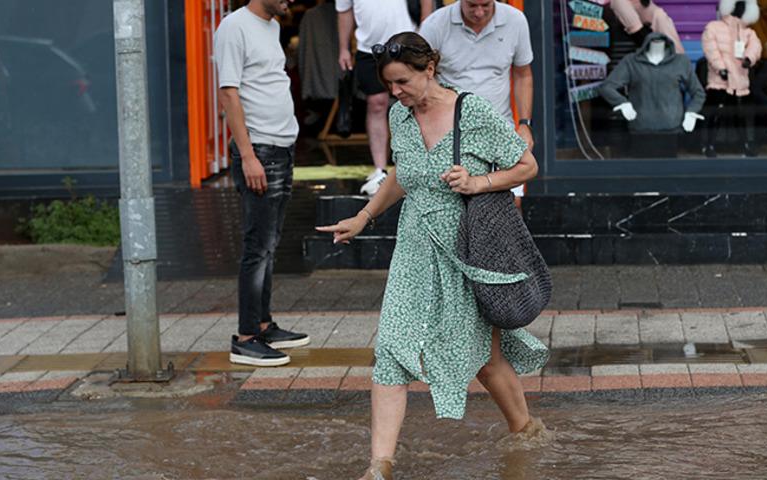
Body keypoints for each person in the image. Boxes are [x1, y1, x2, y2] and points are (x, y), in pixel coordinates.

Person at [316, 32, 550, 480]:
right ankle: (379, 467)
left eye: (403, 81)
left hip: (468, 249)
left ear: (429, 68)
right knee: (391, 351)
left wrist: (478, 182)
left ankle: (526, 430)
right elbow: (404, 173)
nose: (397, 93)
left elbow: (527, 166)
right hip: (415, 250)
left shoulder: (473, 112)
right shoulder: (403, 117)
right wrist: (364, 216)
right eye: (389, 85)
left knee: (484, 357)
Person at [215, 0, 310, 367]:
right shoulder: (233, 27)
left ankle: (263, 324)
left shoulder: (271, 26)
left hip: (281, 147)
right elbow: (228, 92)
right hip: (260, 150)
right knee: (257, 246)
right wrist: (248, 154)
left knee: (270, 243)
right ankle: (246, 337)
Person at [419, 0, 533, 201]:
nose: (479, 12)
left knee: (511, 202)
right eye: (472, 6)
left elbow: (523, 75)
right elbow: (420, 78)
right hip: (450, 132)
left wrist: (524, 124)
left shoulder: (515, 20)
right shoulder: (435, 24)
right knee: (451, 201)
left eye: (485, 5)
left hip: (498, 127)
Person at [336, 0, 434, 196]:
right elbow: (344, 11)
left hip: (407, 45)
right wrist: (344, 48)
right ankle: (380, 168)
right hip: (369, 47)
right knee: (376, 104)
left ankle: (416, 165)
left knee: (415, 102)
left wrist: (424, 33)